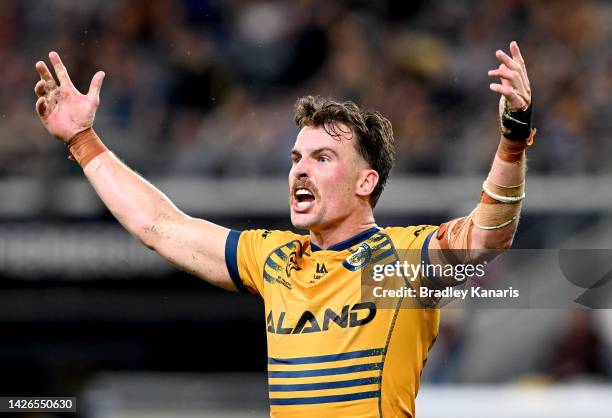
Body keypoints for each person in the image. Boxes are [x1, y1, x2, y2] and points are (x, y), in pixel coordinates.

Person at [33, 41, 534, 418]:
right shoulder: (272, 259)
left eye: (322, 158)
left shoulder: (399, 261)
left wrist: (511, 141)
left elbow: (489, 236)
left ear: (366, 181)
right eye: (296, 157)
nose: (299, 169)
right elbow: (160, 225)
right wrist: (82, 140)